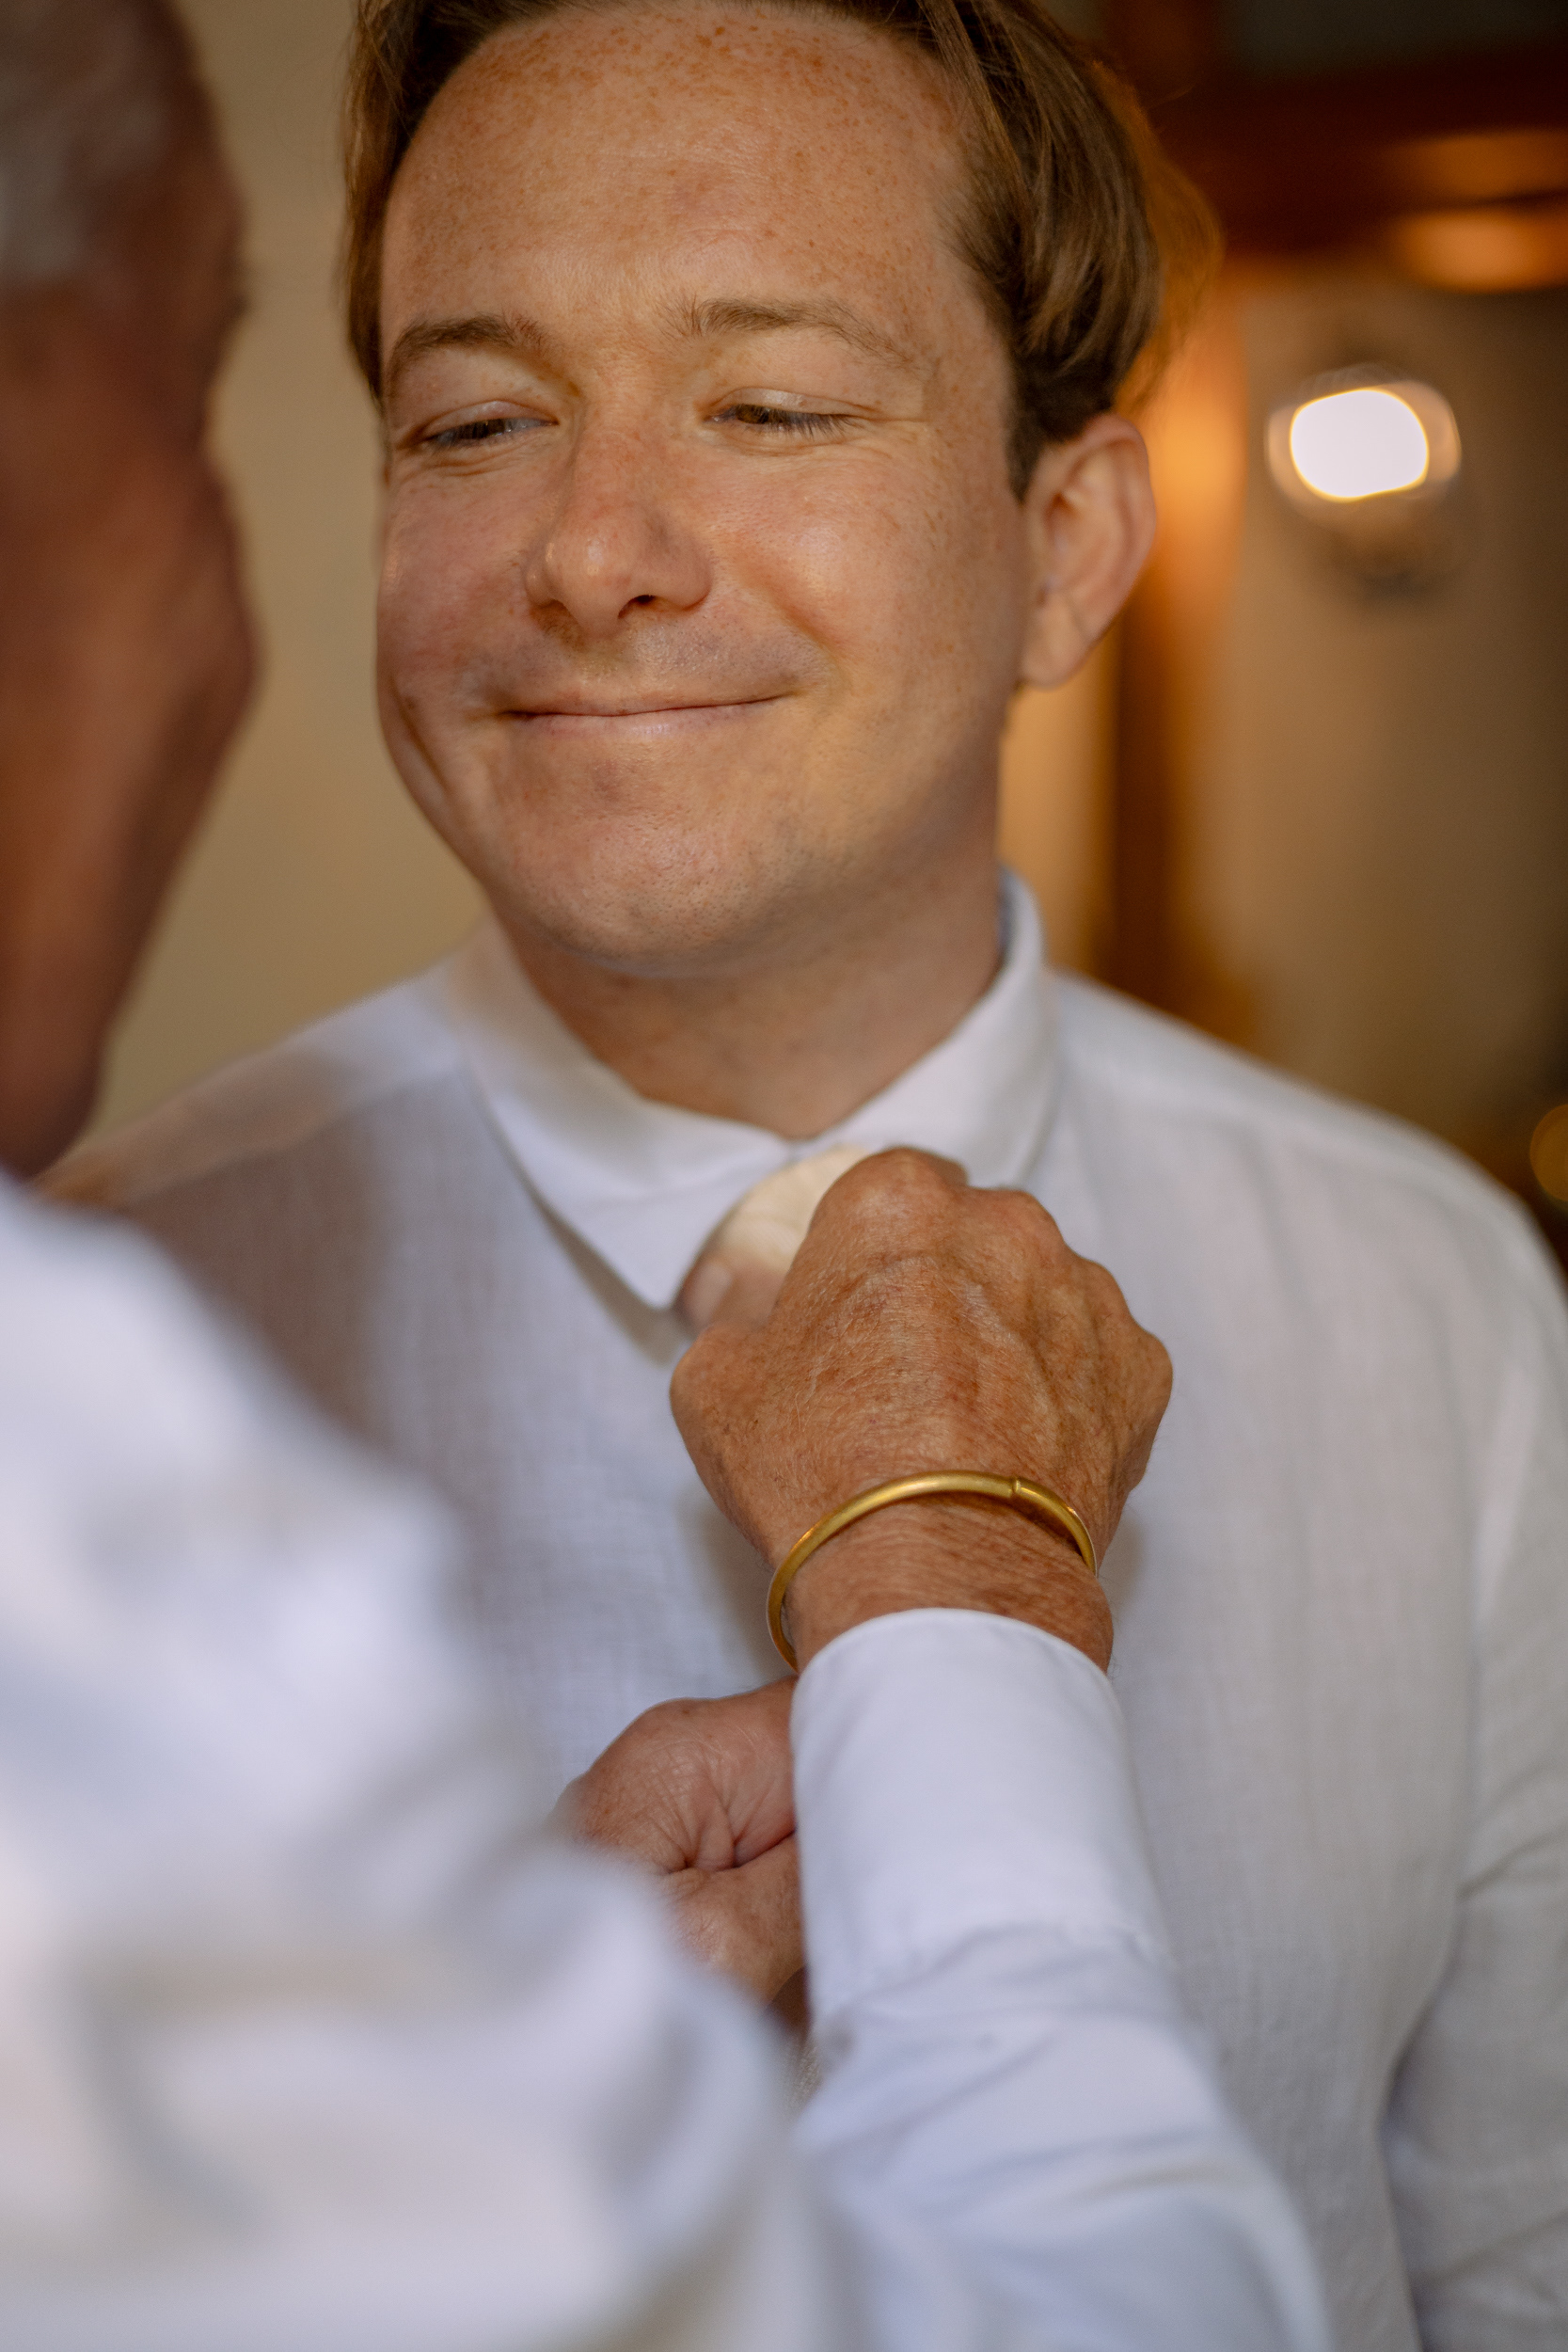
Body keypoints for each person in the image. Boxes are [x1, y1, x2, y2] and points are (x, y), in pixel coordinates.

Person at [50, 0, 1568, 2344]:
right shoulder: (114, 1338)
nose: (590, 553)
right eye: (475, 420)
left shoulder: (1439, 1306)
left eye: (767, 404)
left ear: (1065, 544)